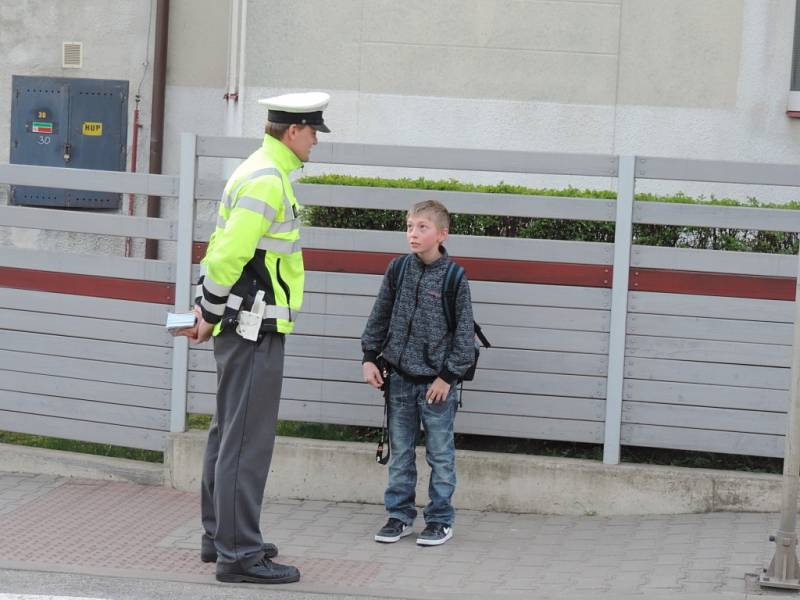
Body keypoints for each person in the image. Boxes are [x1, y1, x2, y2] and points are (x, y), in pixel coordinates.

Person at [175, 91, 331, 584]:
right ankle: (239, 555)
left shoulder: (259, 170)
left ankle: (221, 535)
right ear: (293, 131)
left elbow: (219, 249)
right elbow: (227, 258)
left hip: (239, 322)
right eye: (312, 133)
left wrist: (207, 309)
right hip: (253, 327)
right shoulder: (267, 180)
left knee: (227, 433)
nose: (315, 143)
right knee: (246, 440)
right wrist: (212, 310)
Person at [361, 200, 475, 547]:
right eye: (410, 226)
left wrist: (447, 377)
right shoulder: (397, 270)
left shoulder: (454, 277)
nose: (413, 233)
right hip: (398, 379)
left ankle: (440, 520)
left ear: (442, 234)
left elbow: (464, 335)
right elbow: (380, 315)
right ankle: (399, 516)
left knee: (440, 454)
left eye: (422, 227)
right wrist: (369, 356)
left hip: (437, 385)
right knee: (401, 452)